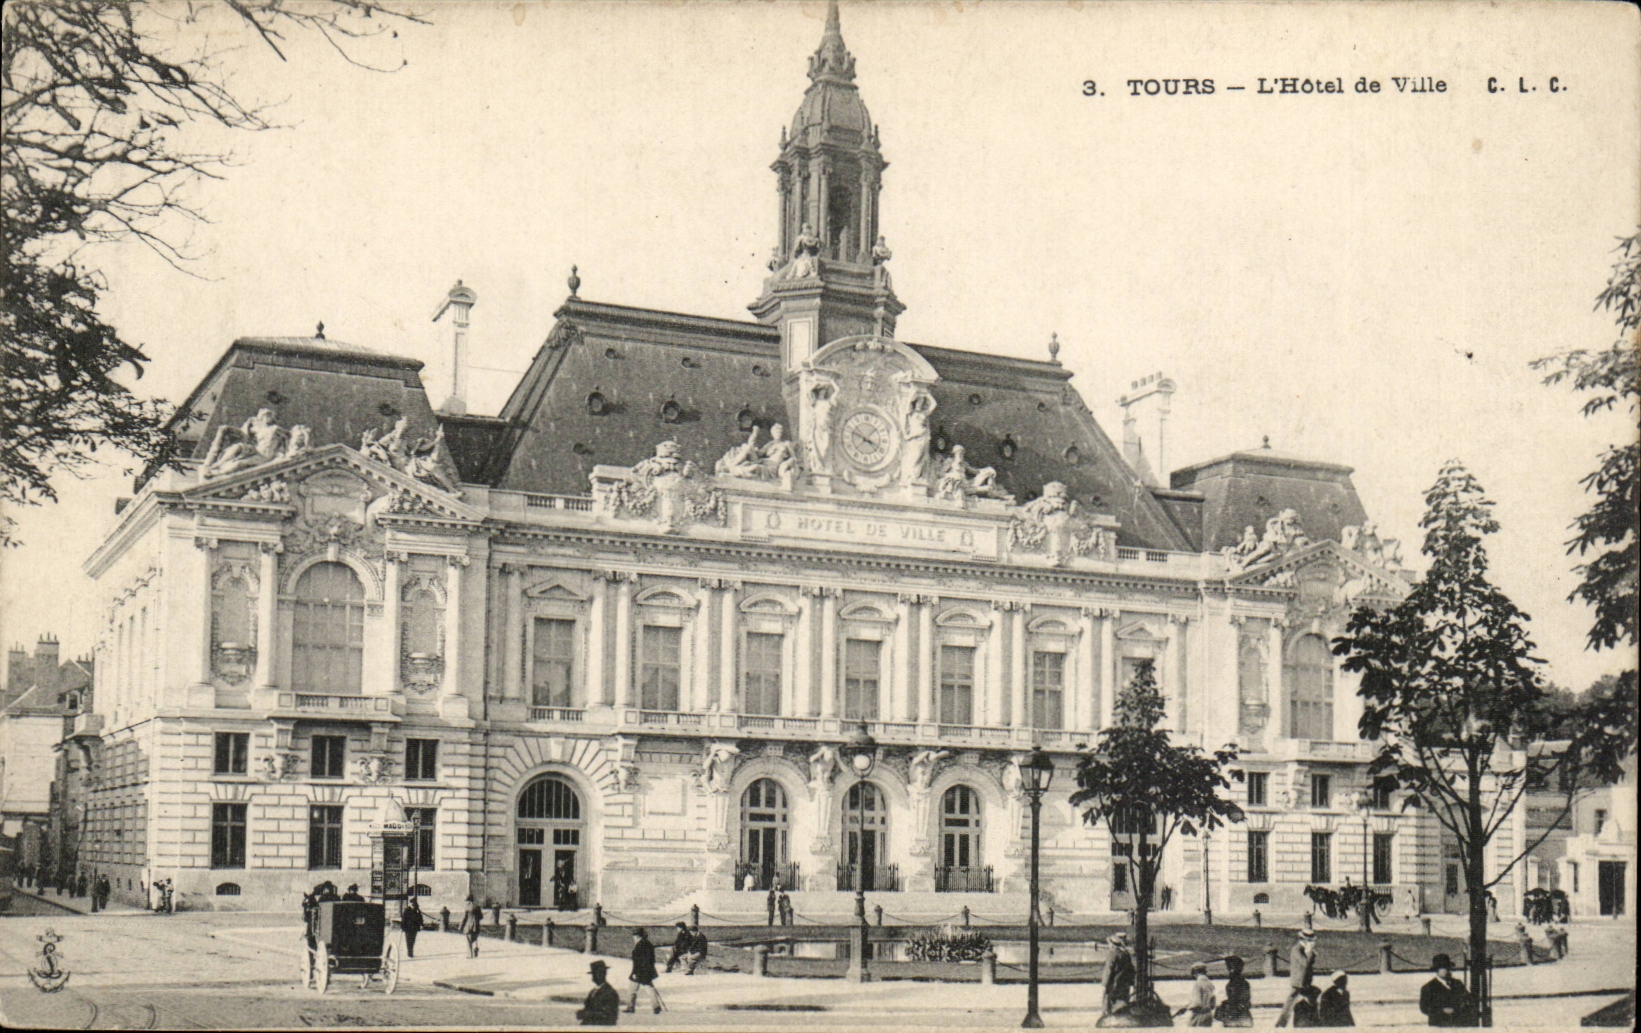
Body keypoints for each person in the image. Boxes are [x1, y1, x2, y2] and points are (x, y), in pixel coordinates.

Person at [1276, 928, 1317, 1027]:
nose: (1311, 943)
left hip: (1305, 980)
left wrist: (1311, 953)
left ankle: (1314, 1020)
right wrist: (1309, 952)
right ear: (1304, 939)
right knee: (1291, 1002)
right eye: (1309, 940)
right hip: (1299, 981)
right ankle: (1281, 1023)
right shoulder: (1297, 949)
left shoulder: (1303, 949)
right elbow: (1305, 963)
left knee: (1309, 999)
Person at [1418, 953, 1473, 1027]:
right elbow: (1424, 1008)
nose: (1445, 970)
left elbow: (1467, 999)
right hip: (1438, 1026)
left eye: (1447, 967)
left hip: (1458, 1025)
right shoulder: (1428, 987)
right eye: (1442, 968)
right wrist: (1441, 1011)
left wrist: (1459, 1009)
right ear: (1436, 970)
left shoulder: (1458, 984)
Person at [624, 927, 661, 1015]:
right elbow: (651, 960)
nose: (634, 938)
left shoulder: (639, 945)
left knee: (632, 990)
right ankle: (656, 1006)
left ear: (637, 936)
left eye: (634, 935)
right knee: (649, 988)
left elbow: (638, 962)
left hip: (640, 972)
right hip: (648, 971)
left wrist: (635, 973)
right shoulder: (648, 944)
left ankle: (630, 1007)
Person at [575, 959, 621, 1026]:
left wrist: (587, 1014)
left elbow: (608, 1015)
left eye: (595, 974)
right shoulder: (593, 991)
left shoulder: (610, 993)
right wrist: (582, 1013)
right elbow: (588, 1007)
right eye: (593, 974)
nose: (593, 977)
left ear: (603, 974)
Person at [1101, 932, 1135, 1016]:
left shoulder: (1112, 954)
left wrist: (1105, 983)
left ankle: (1107, 1015)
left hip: (1113, 985)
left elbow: (1108, 970)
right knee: (1123, 1001)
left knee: (1108, 1001)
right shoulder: (1126, 955)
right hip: (1124, 984)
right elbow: (1131, 970)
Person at [1173, 961, 1216, 1026]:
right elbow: (1213, 1004)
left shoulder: (1197, 983)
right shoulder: (1210, 983)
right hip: (1208, 1015)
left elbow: (1197, 1003)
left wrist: (1186, 1008)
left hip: (1199, 1015)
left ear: (1195, 972)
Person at [1215, 955, 1253, 1027]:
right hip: (1237, 1014)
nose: (1229, 971)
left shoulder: (1237, 982)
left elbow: (1239, 999)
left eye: (1230, 968)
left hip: (1237, 1015)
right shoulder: (1239, 982)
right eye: (1228, 968)